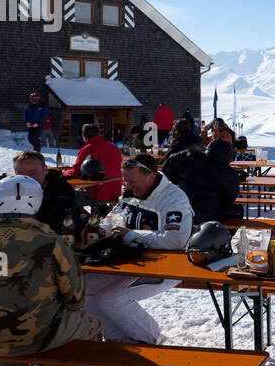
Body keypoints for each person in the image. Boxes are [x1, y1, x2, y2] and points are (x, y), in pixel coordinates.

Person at [0, 175, 101, 357]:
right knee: (92, 323)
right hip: (40, 339)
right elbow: (75, 299)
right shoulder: (51, 243)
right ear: (37, 202)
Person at [83, 154, 193, 344]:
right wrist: (101, 229)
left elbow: (176, 241)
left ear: (150, 176)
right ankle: (117, 336)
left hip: (164, 267)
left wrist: (131, 235)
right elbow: (114, 218)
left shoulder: (174, 199)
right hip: (126, 260)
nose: (128, 186)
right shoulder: (130, 194)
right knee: (80, 288)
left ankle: (150, 338)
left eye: (132, 181)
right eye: (125, 180)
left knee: (112, 299)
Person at [0, 149, 90, 240]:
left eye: (33, 172)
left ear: (45, 170)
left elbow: (74, 220)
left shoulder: (61, 190)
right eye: (20, 173)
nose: (27, 178)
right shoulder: (12, 189)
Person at [162, 138, 242, 224]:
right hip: (210, 216)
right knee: (238, 210)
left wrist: (178, 180)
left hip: (183, 211)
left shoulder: (191, 156)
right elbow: (230, 198)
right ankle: (225, 236)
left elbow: (167, 167)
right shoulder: (228, 173)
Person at [68, 124, 123, 203]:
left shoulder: (88, 149)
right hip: (115, 191)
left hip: (97, 193)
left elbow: (76, 172)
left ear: (84, 136)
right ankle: (102, 210)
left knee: (68, 195)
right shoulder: (113, 147)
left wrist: (64, 174)